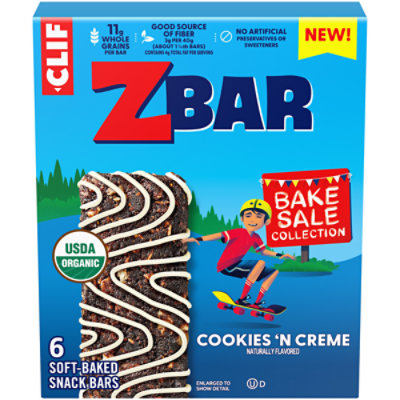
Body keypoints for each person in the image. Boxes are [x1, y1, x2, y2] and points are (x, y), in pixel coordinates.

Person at [183, 199, 295, 309]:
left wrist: (280, 255)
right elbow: (219, 235)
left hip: (238, 264)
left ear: (266, 221)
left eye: (259, 216)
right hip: (227, 266)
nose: (253, 219)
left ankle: (257, 303)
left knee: (274, 272)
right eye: (248, 215)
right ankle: (242, 299)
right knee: (261, 263)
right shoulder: (239, 232)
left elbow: (263, 251)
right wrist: (199, 239)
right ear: (242, 218)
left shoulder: (256, 237)